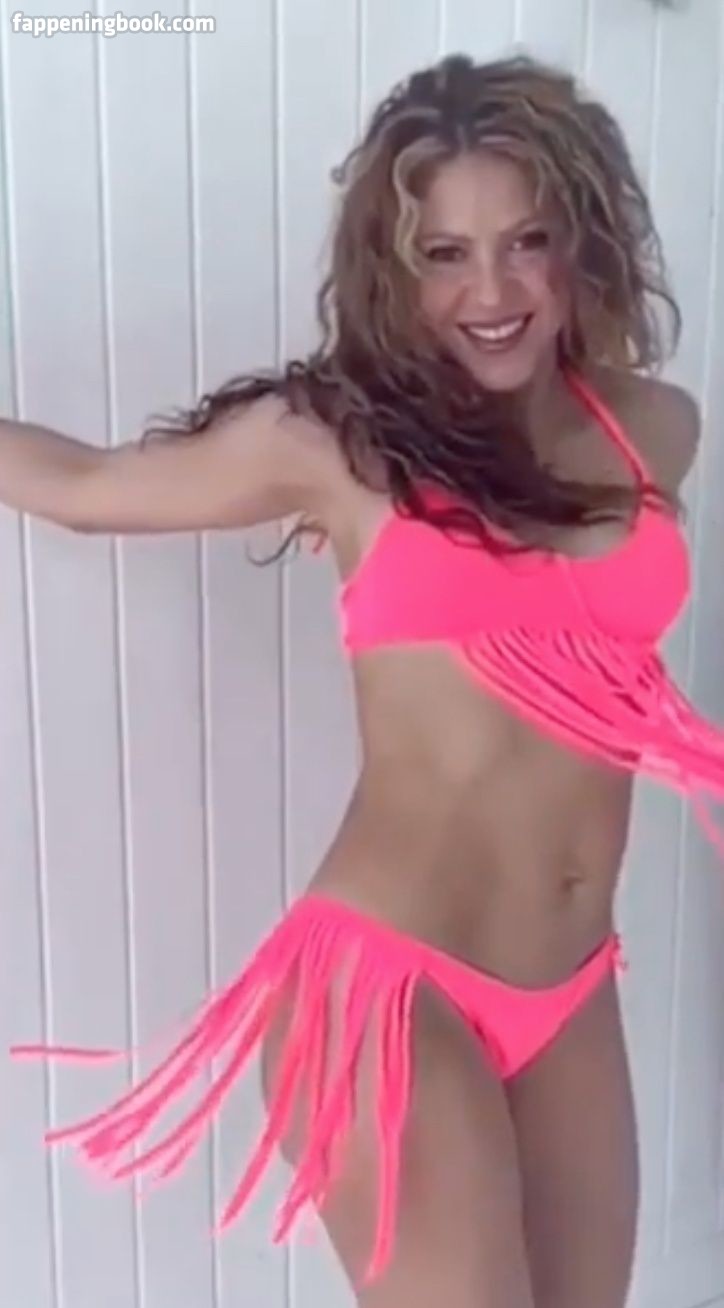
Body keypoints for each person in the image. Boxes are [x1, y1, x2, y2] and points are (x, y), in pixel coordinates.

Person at [6, 51, 724, 1308]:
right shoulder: (340, 448)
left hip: (569, 988)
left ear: (584, 242)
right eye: (444, 254)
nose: (490, 291)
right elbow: (84, 485)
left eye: (527, 242)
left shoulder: (654, 428)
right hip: (387, 991)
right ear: (393, 271)